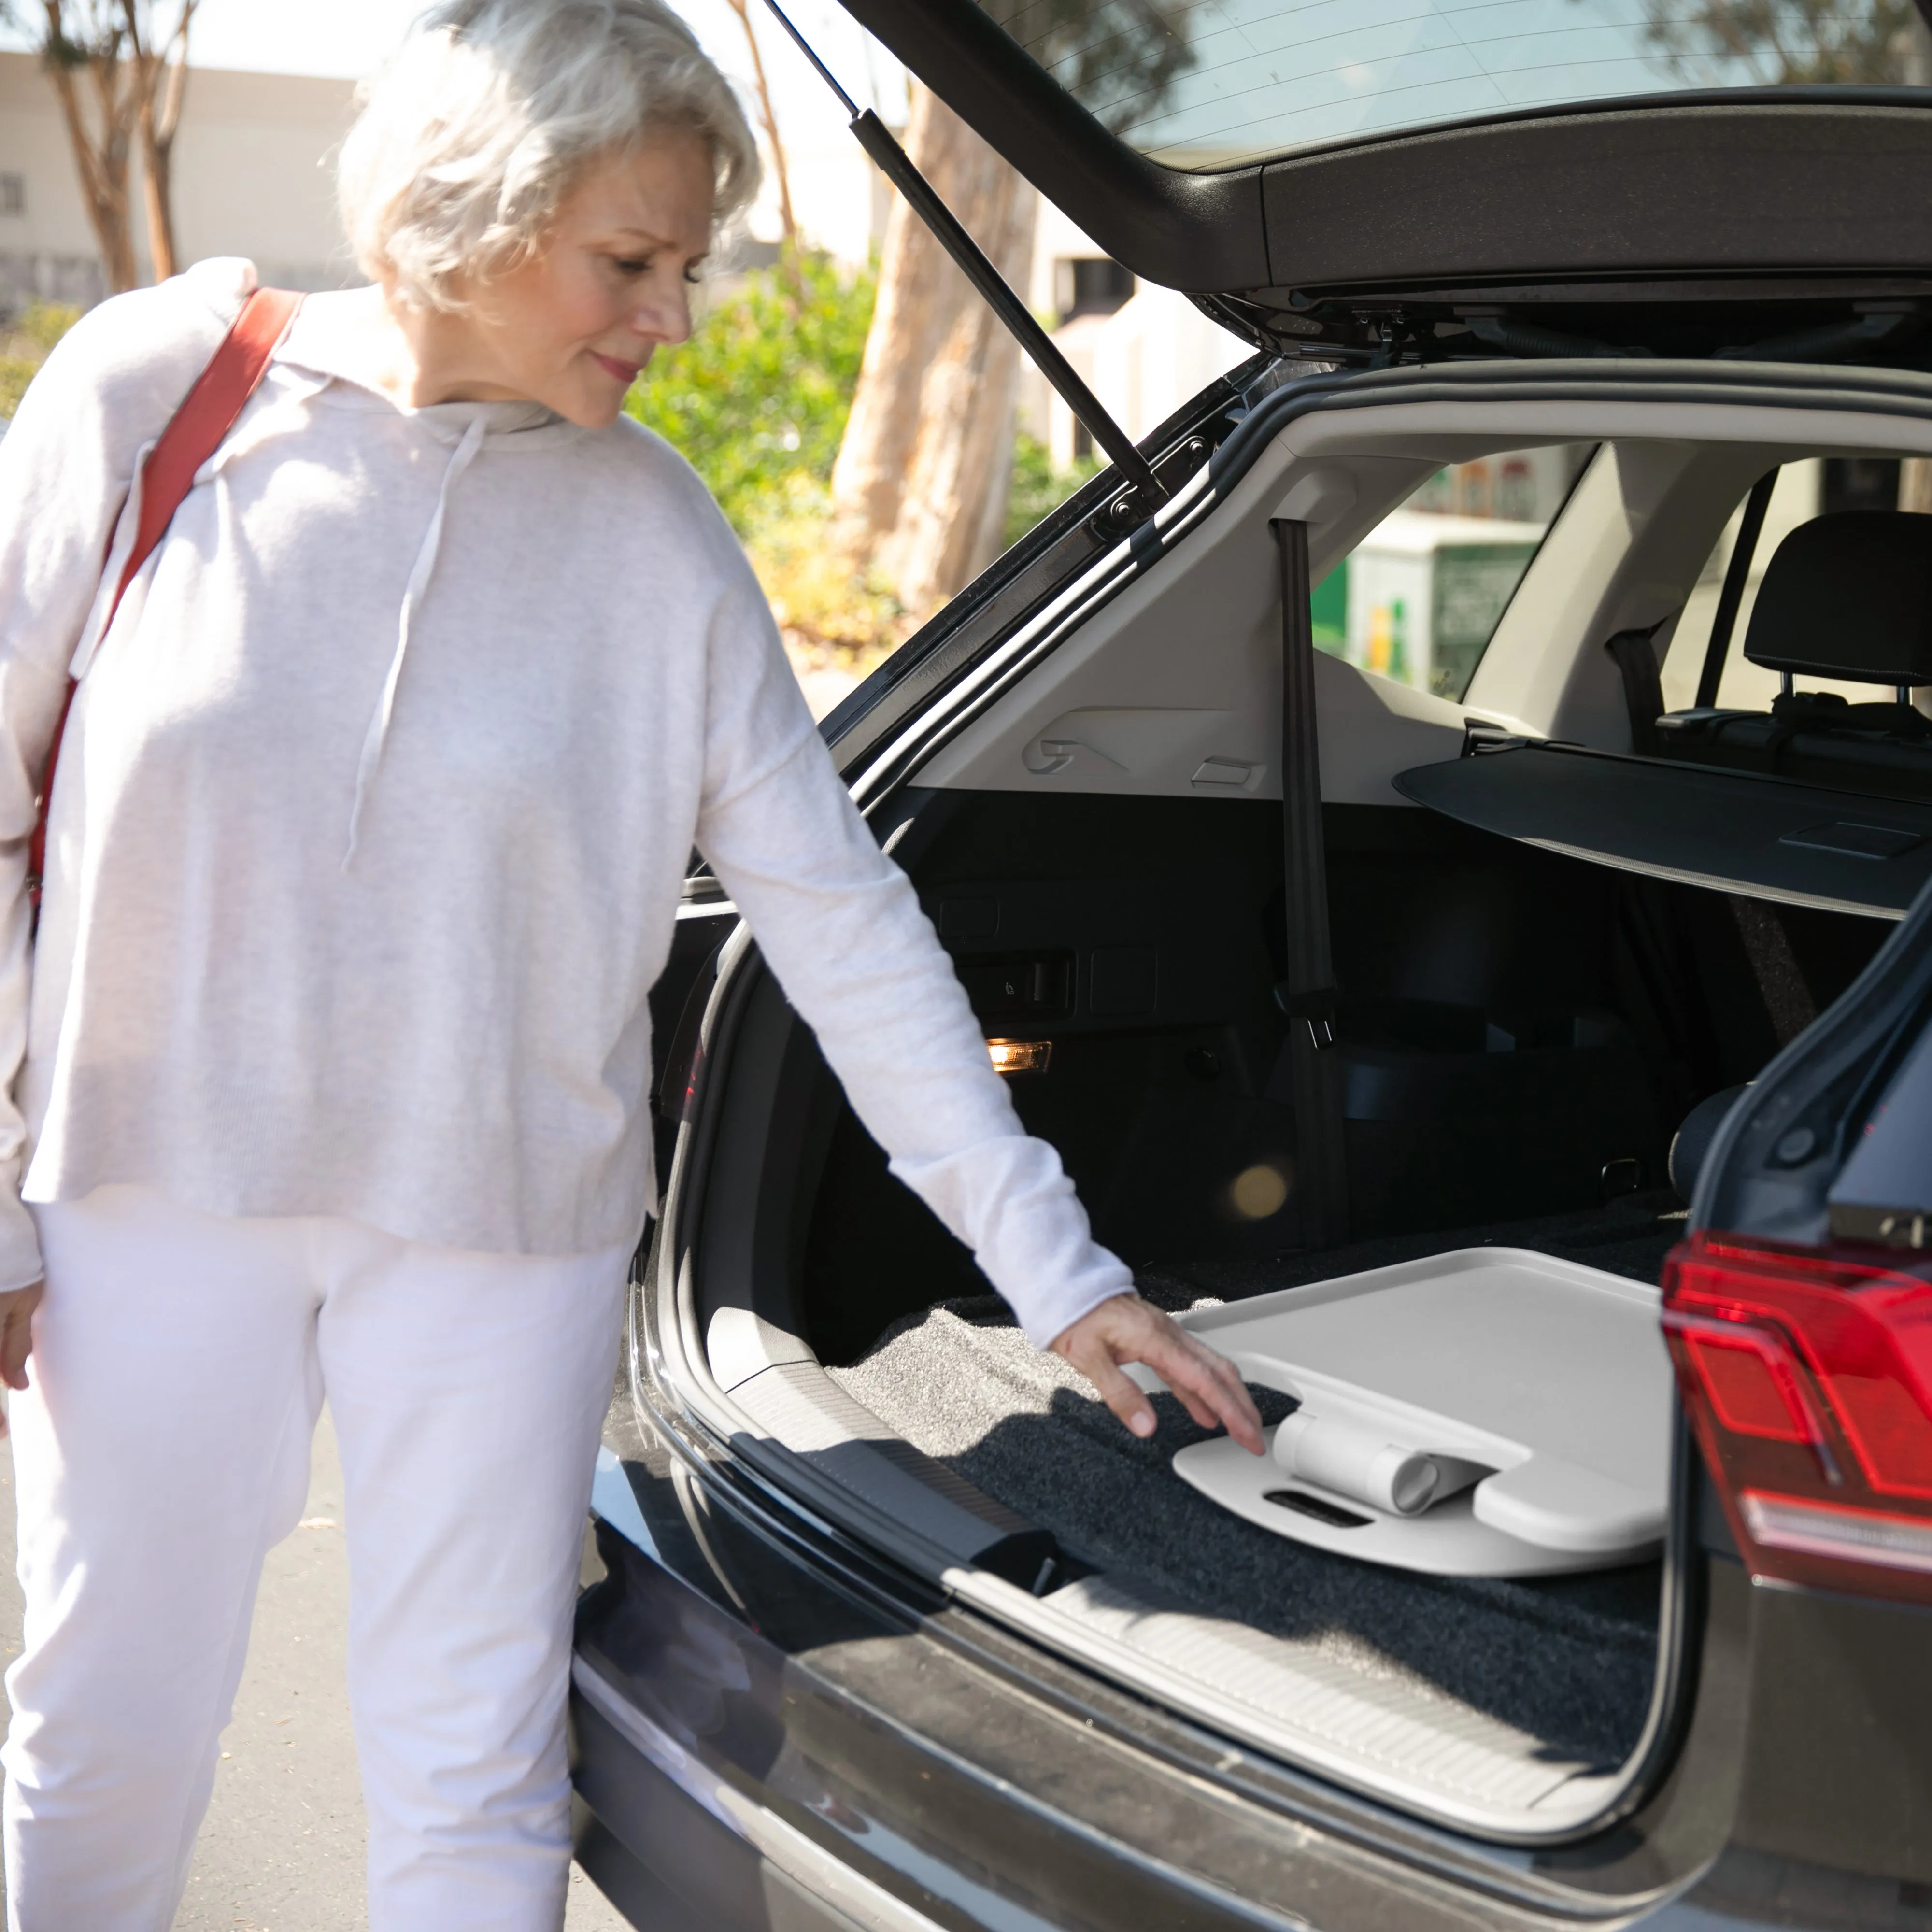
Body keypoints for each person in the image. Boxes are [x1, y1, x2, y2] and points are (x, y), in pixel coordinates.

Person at [0, 1, 1263, 1925]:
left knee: (471, 1753)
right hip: (146, 1190)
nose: (672, 314)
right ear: (459, 212)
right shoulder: (161, 391)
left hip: (502, 1231)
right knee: (103, 1728)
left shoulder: (660, 539)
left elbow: (842, 918)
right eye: (630, 259)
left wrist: (1058, 1272)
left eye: (687, 263)